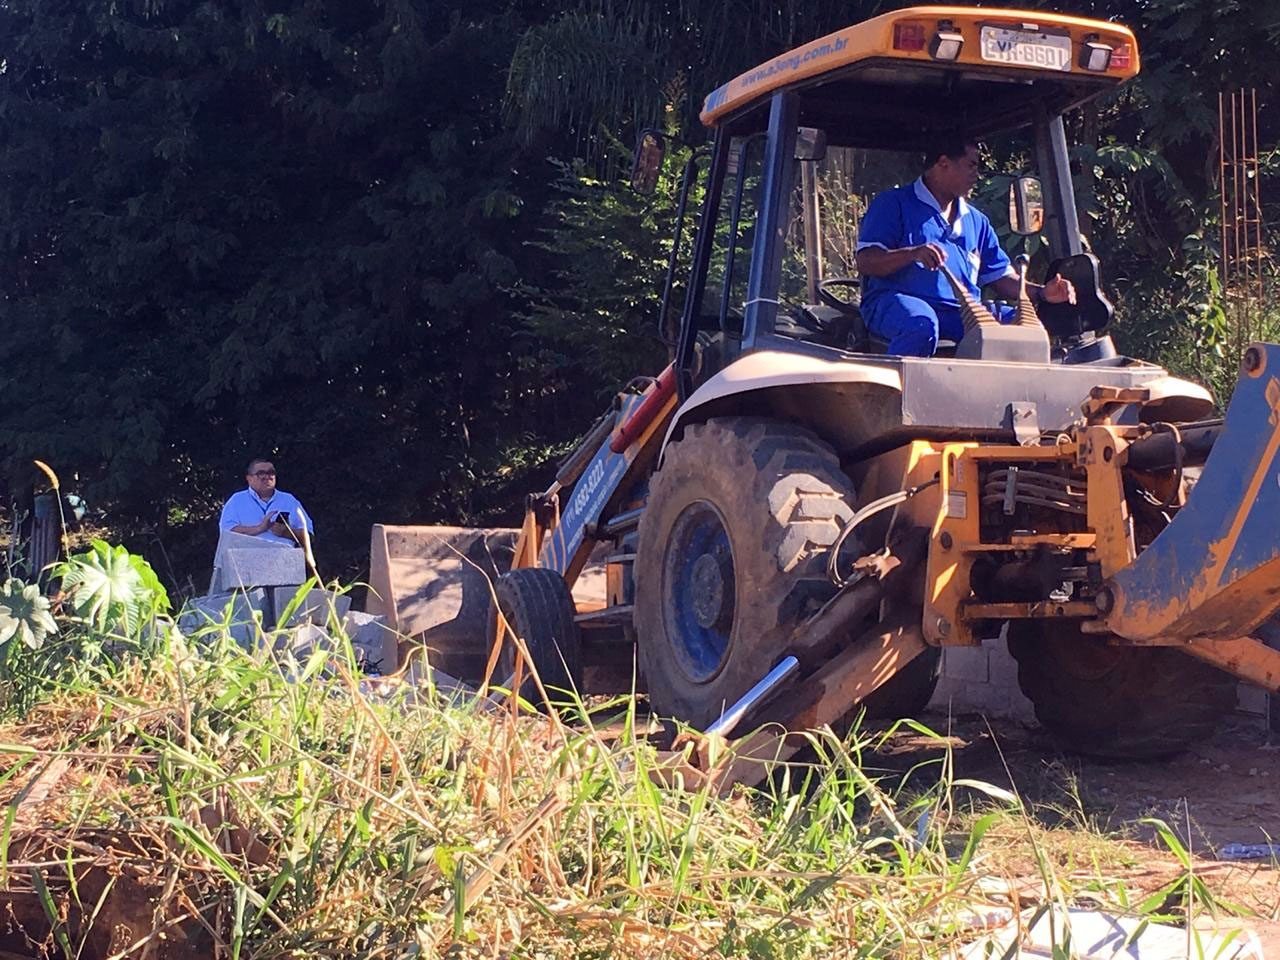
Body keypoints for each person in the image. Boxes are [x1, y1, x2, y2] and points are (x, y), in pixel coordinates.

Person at [854, 136, 1076, 357]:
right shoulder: (894, 204)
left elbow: (1000, 277)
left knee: (1022, 331)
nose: (976, 175)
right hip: (896, 303)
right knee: (920, 325)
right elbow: (866, 262)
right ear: (943, 163)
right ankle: (897, 381)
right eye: (971, 165)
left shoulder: (977, 221)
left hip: (961, 312)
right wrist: (912, 254)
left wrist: (1042, 292)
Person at [219, 458, 314, 547]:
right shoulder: (237, 500)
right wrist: (259, 528)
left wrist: (287, 533)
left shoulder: (289, 500)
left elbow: (309, 535)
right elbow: (227, 535)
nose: (267, 477)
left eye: (271, 472)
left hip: (284, 557)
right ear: (249, 478)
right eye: (261, 473)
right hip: (246, 557)